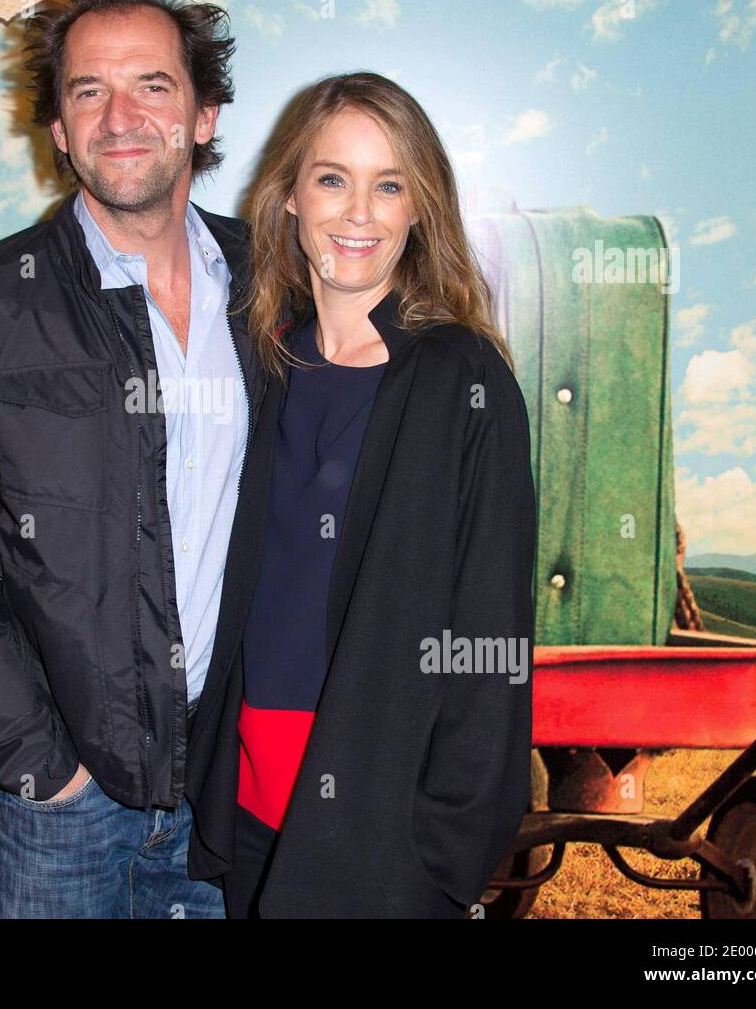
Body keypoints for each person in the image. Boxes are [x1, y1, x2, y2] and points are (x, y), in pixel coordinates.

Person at [0, 0, 265, 918]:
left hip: (229, 798)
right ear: (58, 128)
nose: (119, 114)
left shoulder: (278, 293)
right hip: (53, 817)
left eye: (153, 85)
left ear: (205, 115)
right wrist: (42, 768)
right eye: (89, 89)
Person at [185, 72, 538, 917]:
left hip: (383, 831)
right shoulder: (256, 366)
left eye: (390, 186)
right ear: (288, 199)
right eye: (332, 179)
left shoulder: (463, 377)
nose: (358, 214)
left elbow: (492, 628)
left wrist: (446, 851)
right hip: (244, 811)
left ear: (420, 209)